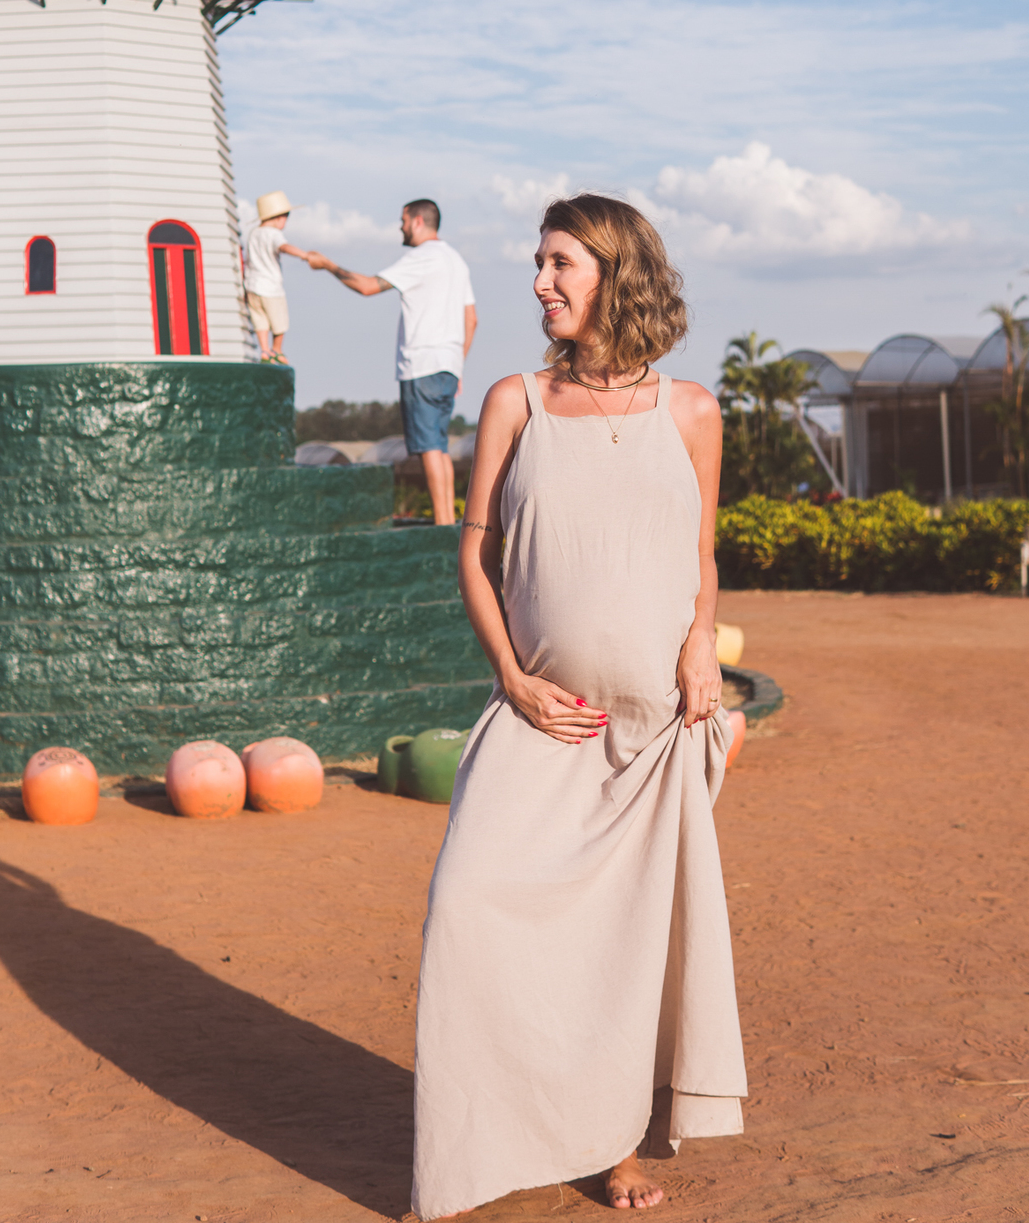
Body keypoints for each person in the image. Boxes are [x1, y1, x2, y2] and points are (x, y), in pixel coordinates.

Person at [411, 193, 746, 1220]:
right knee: (469, 912)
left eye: (562, 263)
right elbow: (475, 549)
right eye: (540, 262)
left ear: (616, 274)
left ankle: (616, 1148)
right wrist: (511, 675)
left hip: (654, 737)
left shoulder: (693, 412)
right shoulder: (516, 400)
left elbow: (700, 556)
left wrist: (700, 643)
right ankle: (479, 1144)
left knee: (629, 954)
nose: (541, 282)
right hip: (539, 722)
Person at [306, 200, 476, 524]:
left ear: (416, 221)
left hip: (422, 363)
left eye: (402, 220)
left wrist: (328, 265)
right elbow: (472, 319)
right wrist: (458, 362)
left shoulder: (421, 258)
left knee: (429, 448)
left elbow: (368, 286)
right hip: (449, 364)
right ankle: (448, 523)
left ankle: (443, 528)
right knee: (439, 447)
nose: (399, 227)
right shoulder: (456, 261)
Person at [244, 190, 311, 365]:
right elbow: (284, 247)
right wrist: (304, 255)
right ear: (278, 217)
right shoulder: (273, 234)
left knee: (260, 320)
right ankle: (277, 349)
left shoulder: (253, 233)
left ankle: (264, 350)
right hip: (270, 286)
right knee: (279, 321)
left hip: (252, 285)